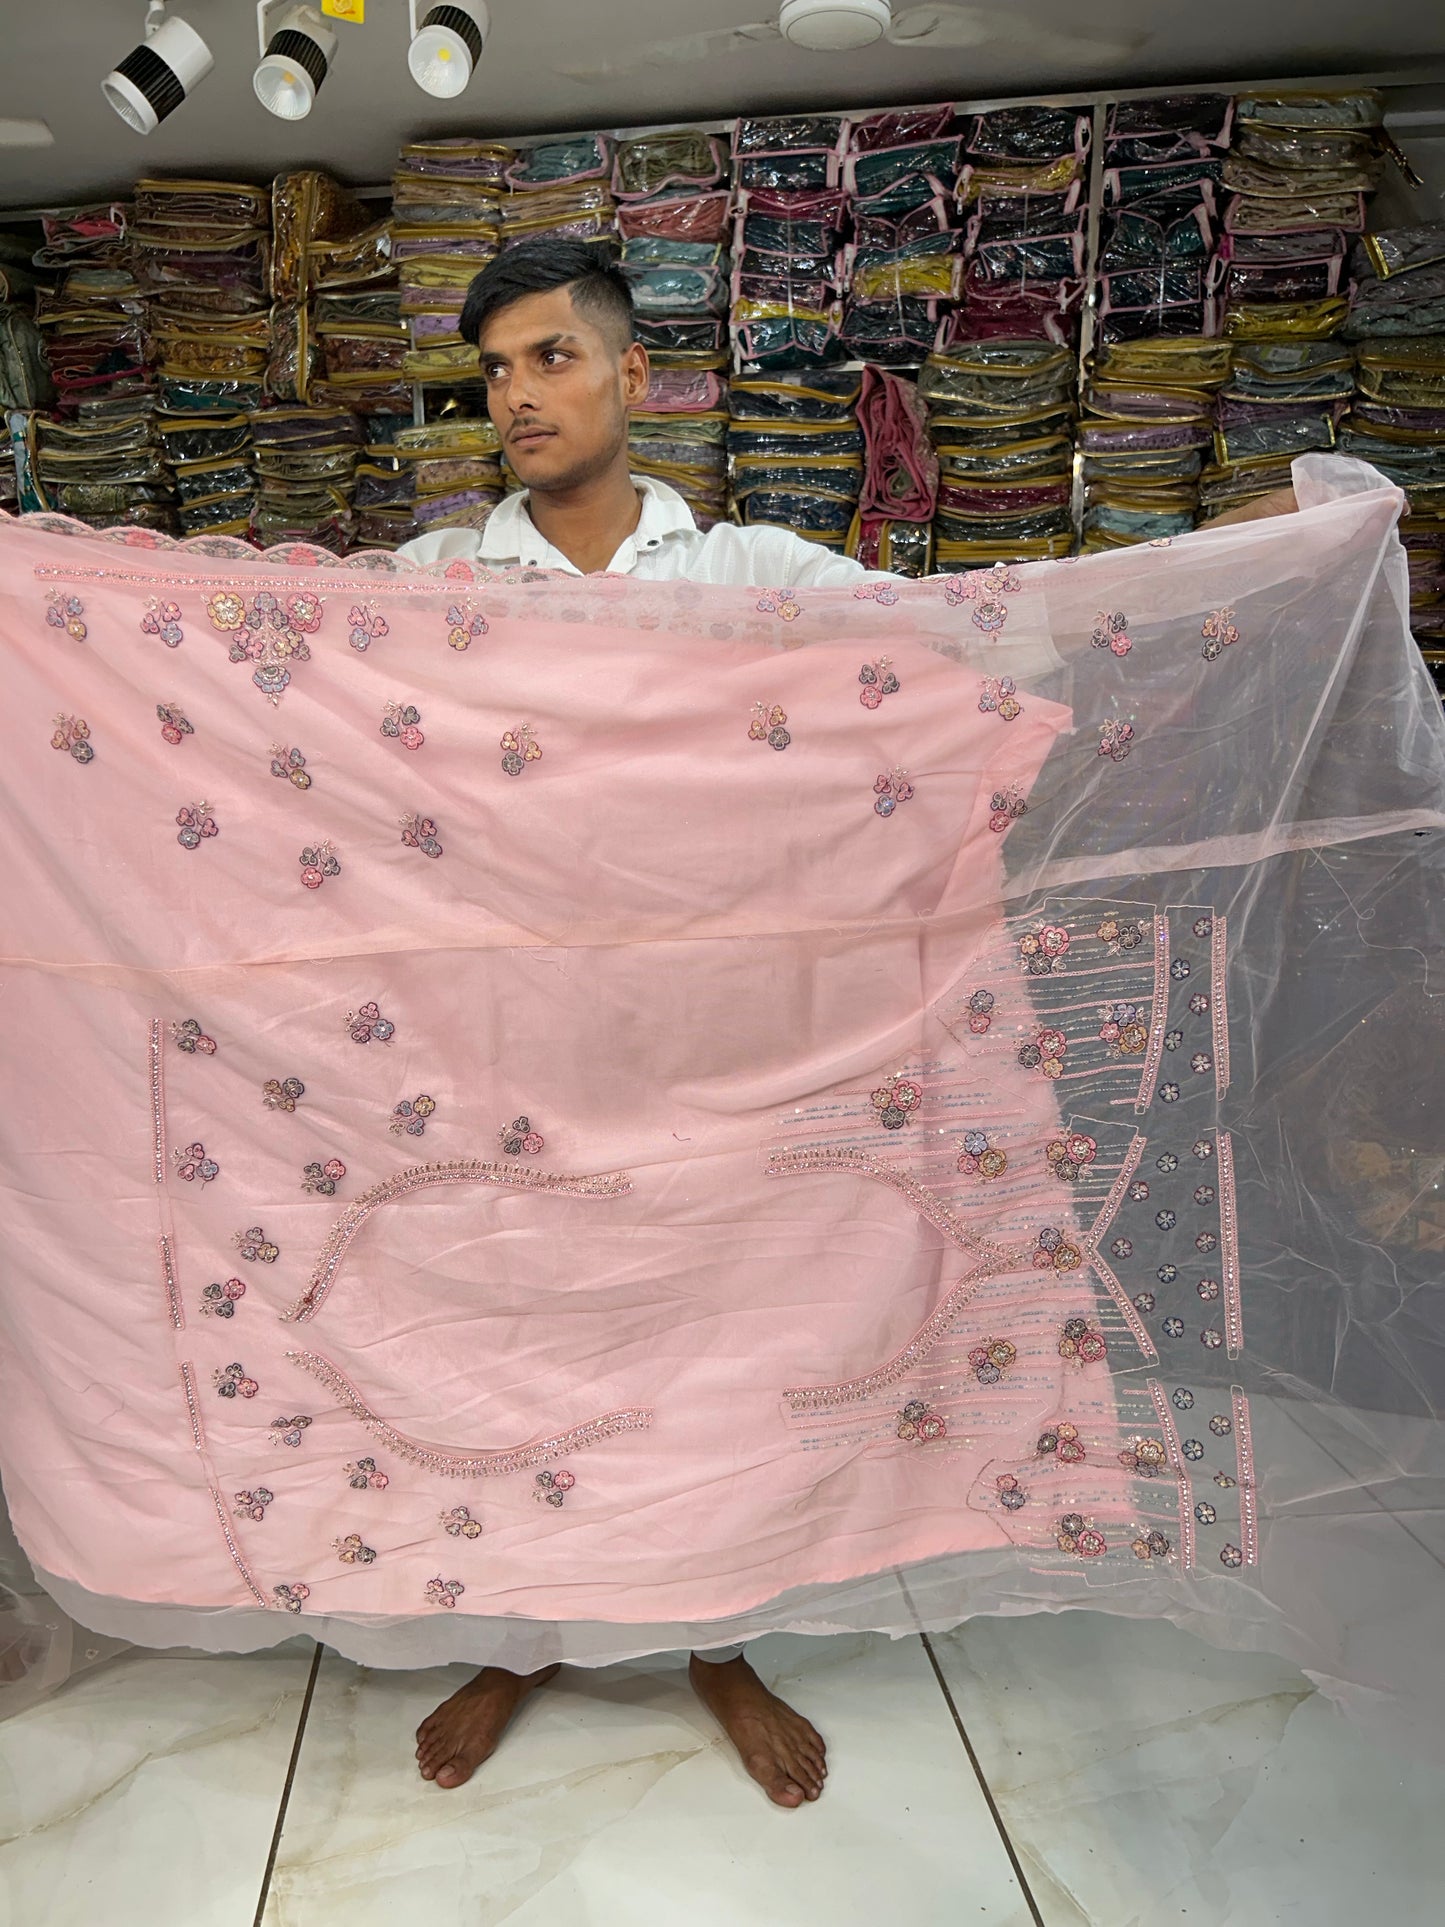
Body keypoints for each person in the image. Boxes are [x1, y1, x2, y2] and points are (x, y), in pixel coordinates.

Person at [396, 237, 1297, 1805]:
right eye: (493, 370)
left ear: (633, 375)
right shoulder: (434, 586)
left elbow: (968, 635)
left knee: (719, 1356)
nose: (517, 394)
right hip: (515, 1056)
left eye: (550, 357)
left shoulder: (751, 577)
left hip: (729, 1056)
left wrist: (1210, 555)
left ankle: (716, 1638)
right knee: (529, 1351)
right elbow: (264, 691)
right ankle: (527, 1634)